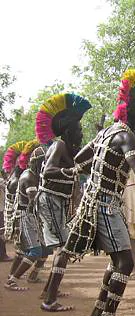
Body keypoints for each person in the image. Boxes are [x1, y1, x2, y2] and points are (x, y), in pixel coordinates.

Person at [41, 70, 135, 316]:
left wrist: (99, 166)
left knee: (117, 261)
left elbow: (78, 159)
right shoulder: (126, 137)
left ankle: (99, 314)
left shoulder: (105, 134)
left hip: (94, 203)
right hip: (106, 206)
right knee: (125, 262)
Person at [35, 93, 92, 300]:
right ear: (68, 132)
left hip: (57, 202)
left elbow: (84, 168)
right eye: (78, 130)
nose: (81, 134)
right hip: (49, 199)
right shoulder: (58, 146)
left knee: (63, 248)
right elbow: (49, 171)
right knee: (64, 248)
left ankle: (48, 291)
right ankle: (50, 300)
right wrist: (70, 172)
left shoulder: (70, 151)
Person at [4, 143, 47, 291]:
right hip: (26, 217)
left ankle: (13, 277)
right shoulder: (29, 177)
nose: (45, 166)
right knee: (36, 251)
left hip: (27, 216)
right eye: (43, 163)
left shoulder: (32, 175)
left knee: (24, 251)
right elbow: (34, 201)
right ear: (36, 163)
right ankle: (12, 281)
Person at [3, 142, 30, 279]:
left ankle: (13, 275)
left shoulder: (15, 178)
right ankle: (11, 277)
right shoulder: (17, 180)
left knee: (23, 250)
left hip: (19, 219)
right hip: (18, 220)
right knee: (22, 250)